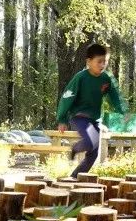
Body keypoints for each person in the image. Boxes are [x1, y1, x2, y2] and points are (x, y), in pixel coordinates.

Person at [56, 43, 130, 178]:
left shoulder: (105, 78)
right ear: (89, 62)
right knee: (92, 141)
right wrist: (62, 118)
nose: (102, 65)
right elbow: (67, 96)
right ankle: (75, 149)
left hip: (94, 119)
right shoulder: (81, 77)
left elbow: (115, 95)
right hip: (79, 117)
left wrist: (123, 110)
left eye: (105, 62)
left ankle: (75, 177)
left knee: (94, 153)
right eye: (99, 62)